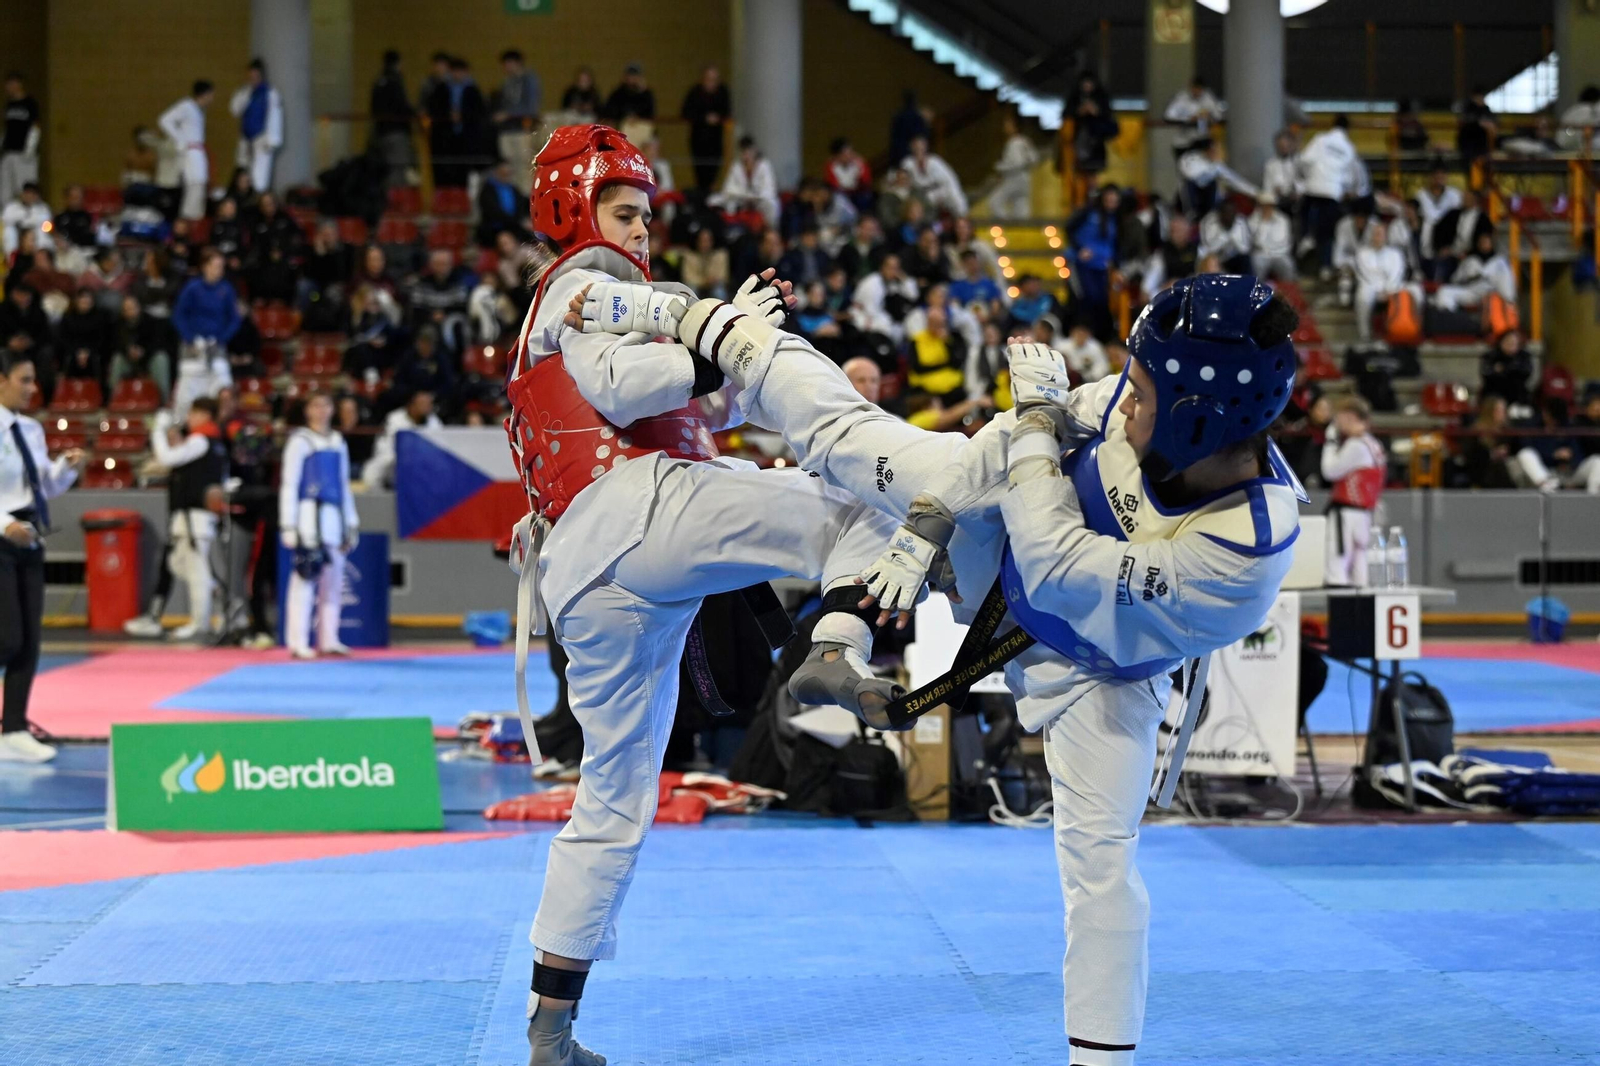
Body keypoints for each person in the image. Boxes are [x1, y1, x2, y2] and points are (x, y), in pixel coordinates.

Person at [575, 269, 1304, 1066]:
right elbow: (997, 446)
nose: (1124, 399)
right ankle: (699, 321)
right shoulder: (1136, 394)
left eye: (1144, 396)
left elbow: (1059, 562)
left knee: (1101, 870)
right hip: (998, 540)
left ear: (1199, 423)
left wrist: (1035, 425)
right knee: (845, 440)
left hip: (1101, 675)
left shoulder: (1244, 551)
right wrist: (930, 517)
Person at [502, 124, 903, 1065]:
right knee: (864, 506)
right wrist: (719, 331)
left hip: (590, 582)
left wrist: (735, 342)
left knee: (612, 799)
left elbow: (687, 401)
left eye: (645, 217)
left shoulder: (592, 299)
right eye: (625, 212)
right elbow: (629, 384)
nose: (640, 231)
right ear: (577, 210)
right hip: (638, 513)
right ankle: (832, 657)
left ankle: (550, 1030)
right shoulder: (585, 279)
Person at [0, 350, 81, 762]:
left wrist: (65, 468)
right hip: (1, 536)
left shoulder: (30, 430)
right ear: (1, 379)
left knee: (30, 640)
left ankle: (13, 728)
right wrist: (3, 525)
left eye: (34, 380)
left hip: (30, 537)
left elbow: (44, 486)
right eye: (24, 379)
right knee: (7, 637)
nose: (32, 388)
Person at [279, 391, 359, 659]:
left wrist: (351, 522)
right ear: (307, 410)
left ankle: (329, 638)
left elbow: (344, 484)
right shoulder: (300, 441)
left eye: (325, 404)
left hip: (334, 516)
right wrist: (288, 524)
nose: (321, 410)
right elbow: (290, 484)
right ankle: (298, 641)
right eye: (315, 405)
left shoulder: (338, 441)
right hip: (307, 514)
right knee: (305, 577)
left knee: (333, 580)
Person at [150, 397, 227, 640]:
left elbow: (168, 459)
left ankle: (199, 622)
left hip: (195, 518)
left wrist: (157, 432)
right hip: (192, 516)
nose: (190, 418)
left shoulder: (201, 440)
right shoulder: (215, 443)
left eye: (194, 413)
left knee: (195, 570)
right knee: (178, 564)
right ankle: (214, 591)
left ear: (206, 415)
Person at [1320, 396, 1385, 586]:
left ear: (1350, 417)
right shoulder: (1373, 444)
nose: (1337, 423)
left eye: (1339, 418)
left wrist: (1330, 441)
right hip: (1363, 512)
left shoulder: (1356, 445)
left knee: (1337, 565)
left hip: (1347, 512)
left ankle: (1340, 608)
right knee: (1359, 566)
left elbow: (1329, 471)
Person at [171, 249, 241, 417]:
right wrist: (189, 337)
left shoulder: (226, 289)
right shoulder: (192, 288)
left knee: (223, 388)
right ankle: (183, 422)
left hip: (216, 346)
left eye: (221, 267)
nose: (220, 270)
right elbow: (179, 315)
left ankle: (218, 425)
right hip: (193, 346)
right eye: (216, 266)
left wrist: (222, 339)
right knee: (187, 392)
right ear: (205, 267)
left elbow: (234, 319)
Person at [1298, 115, 1359, 274]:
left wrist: (1308, 177)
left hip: (1313, 187)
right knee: (1328, 233)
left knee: (1305, 210)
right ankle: (1325, 266)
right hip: (1333, 192)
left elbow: (1304, 159)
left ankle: (1307, 236)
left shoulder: (1321, 139)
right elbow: (1349, 178)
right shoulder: (1349, 147)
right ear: (1348, 129)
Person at [361, 388, 441, 488]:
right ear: (412, 405)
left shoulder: (434, 421)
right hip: (394, 460)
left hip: (423, 464)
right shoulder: (395, 419)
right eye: (423, 403)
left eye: (429, 403)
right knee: (373, 470)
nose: (427, 407)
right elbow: (386, 447)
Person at [159, 80, 215, 221]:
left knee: (200, 186)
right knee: (194, 186)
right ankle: (189, 221)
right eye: (211, 94)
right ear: (205, 94)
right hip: (191, 152)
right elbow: (165, 120)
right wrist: (181, 140)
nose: (213, 98)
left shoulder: (200, 111)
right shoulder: (186, 106)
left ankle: (195, 219)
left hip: (198, 151)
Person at [1353, 222, 1412, 344]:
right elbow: (1364, 274)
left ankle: (1407, 331)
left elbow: (1398, 273)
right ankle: (1365, 334)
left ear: (1385, 236)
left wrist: (1388, 289)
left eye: (1380, 234)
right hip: (1370, 286)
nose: (1378, 237)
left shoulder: (1395, 254)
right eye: (1375, 234)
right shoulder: (1362, 253)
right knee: (1363, 296)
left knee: (1415, 291)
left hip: (1392, 287)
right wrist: (1380, 289)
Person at [230, 59, 283, 193]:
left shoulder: (270, 93)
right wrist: (246, 94)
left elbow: (275, 117)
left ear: (261, 75)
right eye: (250, 76)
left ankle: (258, 198)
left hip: (261, 138)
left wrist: (272, 140)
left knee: (260, 176)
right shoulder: (245, 92)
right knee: (243, 171)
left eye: (255, 76)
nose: (253, 79)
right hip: (245, 137)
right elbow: (235, 110)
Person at [493, 50, 543, 193]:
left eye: (508, 64)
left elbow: (531, 108)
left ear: (517, 63)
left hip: (522, 130)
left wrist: (508, 114)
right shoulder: (507, 82)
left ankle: (526, 204)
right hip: (507, 130)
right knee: (509, 169)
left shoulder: (530, 80)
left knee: (524, 169)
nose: (506, 68)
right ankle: (514, 205)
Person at [1433, 231, 1514, 314]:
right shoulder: (1471, 259)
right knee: (1444, 291)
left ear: (1492, 243)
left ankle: (1509, 316)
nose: (1484, 245)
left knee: (1500, 300)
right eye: (1481, 242)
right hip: (1471, 291)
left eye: (1486, 242)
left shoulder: (1499, 261)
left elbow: (1507, 286)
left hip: (1490, 293)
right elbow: (1456, 279)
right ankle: (1452, 320)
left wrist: (1508, 300)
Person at [711, 136, 779, 230]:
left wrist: (755, 197)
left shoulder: (764, 165)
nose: (746, 155)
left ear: (754, 150)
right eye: (743, 152)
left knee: (772, 204)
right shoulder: (736, 166)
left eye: (748, 151)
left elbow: (769, 188)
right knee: (713, 200)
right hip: (741, 200)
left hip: (759, 201)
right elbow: (728, 188)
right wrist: (745, 195)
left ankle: (770, 230)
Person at [368, 50, 415, 189]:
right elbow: (401, 106)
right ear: (398, 63)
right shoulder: (395, 81)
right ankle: (395, 203)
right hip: (396, 132)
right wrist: (416, 114)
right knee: (397, 169)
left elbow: (373, 108)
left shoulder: (379, 81)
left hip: (380, 132)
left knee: (384, 168)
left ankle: (385, 199)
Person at [680, 66, 730, 190]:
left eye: (714, 79)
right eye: (708, 79)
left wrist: (717, 118)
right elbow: (685, 112)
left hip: (716, 140)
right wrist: (703, 118)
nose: (711, 83)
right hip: (698, 139)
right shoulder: (695, 92)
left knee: (713, 172)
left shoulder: (723, 92)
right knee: (700, 173)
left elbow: (727, 112)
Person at [1066, 73, 1118, 187]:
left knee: (1093, 170)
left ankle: (1093, 192)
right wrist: (1079, 111)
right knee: (1078, 171)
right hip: (1078, 140)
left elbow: (1108, 115)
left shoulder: (1101, 97)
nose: (1087, 86)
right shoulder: (1075, 97)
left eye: (1089, 83)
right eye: (1085, 83)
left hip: (1096, 141)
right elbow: (1066, 114)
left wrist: (1096, 111)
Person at [0, 73, 41, 208]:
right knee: (5, 189)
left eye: (12, 84)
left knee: (24, 187)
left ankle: (29, 215)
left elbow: (35, 126)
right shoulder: (9, 105)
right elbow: (8, 128)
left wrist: (30, 147)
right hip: (9, 152)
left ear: (19, 84)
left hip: (23, 153)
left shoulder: (30, 103)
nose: (9, 87)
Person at [902, 135, 967, 217]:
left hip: (941, 192)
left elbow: (950, 180)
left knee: (954, 194)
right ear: (911, 148)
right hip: (920, 197)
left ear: (925, 147)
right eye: (916, 147)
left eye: (921, 146)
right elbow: (900, 180)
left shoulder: (935, 161)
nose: (919, 149)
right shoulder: (907, 163)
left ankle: (962, 216)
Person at [989, 113, 1037, 219]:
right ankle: (1022, 232)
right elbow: (1034, 158)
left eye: (1008, 124)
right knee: (1021, 209)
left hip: (1014, 179)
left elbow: (1017, 163)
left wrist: (999, 167)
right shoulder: (1025, 140)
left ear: (1014, 126)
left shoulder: (1014, 143)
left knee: (994, 202)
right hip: (1025, 180)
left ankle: (1007, 225)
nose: (1005, 127)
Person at [1163, 75, 1223, 158]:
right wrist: (1189, 119)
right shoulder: (1182, 98)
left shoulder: (1208, 98)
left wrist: (1209, 118)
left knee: (1205, 167)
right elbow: (1168, 116)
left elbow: (1218, 117)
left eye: (1199, 89)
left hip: (1202, 140)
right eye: (1194, 88)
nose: (1196, 91)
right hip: (1184, 141)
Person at [1199, 199, 1253, 275]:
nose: (1229, 216)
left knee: (1245, 259)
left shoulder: (1241, 222)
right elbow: (1207, 248)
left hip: (1231, 259)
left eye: (1231, 213)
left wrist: (1234, 238)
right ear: (1220, 213)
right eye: (1226, 212)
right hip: (1213, 259)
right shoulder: (1209, 221)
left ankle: (1247, 285)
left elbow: (1245, 249)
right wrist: (1224, 237)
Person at [1249, 193, 1295, 280]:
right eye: (1264, 206)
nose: (1266, 209)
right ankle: (1259, 291)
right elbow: (1255, 242)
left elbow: (1282, 241)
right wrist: (1263, 222)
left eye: (1269, 206)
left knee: (1288, 266)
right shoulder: (1253, 220)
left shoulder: (1283, 220)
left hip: (1280, 254)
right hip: (1261, 254)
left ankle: (1287, 292)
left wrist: (1267, 248)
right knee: (1256, 265)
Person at [1, 181, 51, 258]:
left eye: (33, 194)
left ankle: (40, 257)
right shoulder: (11, 207)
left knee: (43, 232)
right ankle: (12, 258)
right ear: (22, 194)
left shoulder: (43, 208)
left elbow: (46, 224)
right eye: (27, 193)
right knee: (9, 230)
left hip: (34, 236)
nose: (30, 196)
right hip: (18, 235)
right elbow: (6, 221)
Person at [825, 136, 872, 213]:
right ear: (837, 156)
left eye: (850, 152)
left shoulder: (859, 162)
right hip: (841, 194)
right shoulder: (831, 165)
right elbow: (833, 185)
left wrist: (860, 170)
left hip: (858, 193)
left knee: (865, 196)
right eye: (845, 154)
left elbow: (866, 181)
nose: (849, 156)